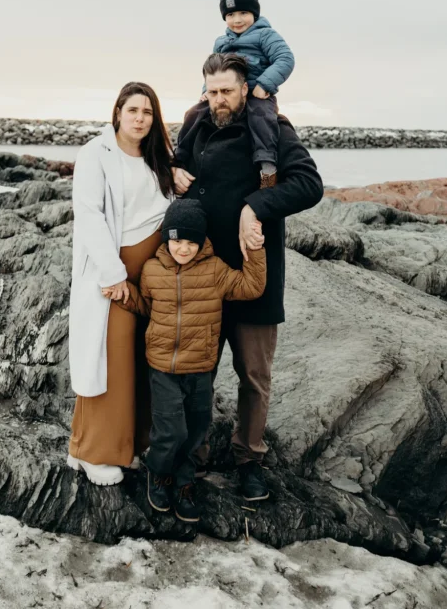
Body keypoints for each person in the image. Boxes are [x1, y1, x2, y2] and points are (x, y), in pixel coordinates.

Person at [173, 52, 324, 501]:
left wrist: (254, 207)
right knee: (197, 371)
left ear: (245, 88)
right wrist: (175, 173)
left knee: (253, 377)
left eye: (227, 91)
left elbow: (309, 183)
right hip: (205, 275)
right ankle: (192, 454)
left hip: (255, 275)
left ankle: (249, 460)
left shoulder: (274, 128)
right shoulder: (195, 123)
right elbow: (178, 168)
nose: (219, 100)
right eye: (212, 91)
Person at [121, 199, 266, 523]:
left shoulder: (215, 270)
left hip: (200, 369)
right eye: (176, 241)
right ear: (165, 239)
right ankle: (158, 475)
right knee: (169, 430)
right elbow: (147, 306)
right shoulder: (152, 270)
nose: (183, 249)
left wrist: (255, 248)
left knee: (195, 432)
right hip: (162, 369)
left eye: (190, 242)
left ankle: (185, 484)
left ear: (201, 241)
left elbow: (252, 286)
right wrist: (126, 296)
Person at [67, 82, 174, 485]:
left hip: (151, 278)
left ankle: (119, 445)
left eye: (147, 112)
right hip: (114, 276)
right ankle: (96, 453)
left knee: (137, 361)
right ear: (117, 113)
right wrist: (113, 276)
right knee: (109, 360)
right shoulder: (95, 154)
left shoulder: (156, 157)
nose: (140, 119)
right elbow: (89, 215)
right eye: (133, 111)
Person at [176, 0, 295, 188]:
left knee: (262, 119)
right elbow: (212, 70)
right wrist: (206, 91)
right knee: (193, 114)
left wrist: (264, 84)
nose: (237, 20)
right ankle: (180, 158)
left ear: (254, 13)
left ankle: (267, 166)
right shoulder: (221, 42)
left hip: (258, 94)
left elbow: (285, 59)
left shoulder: (265, 35)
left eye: (243, 13)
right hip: (226, 95)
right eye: (230, 14)